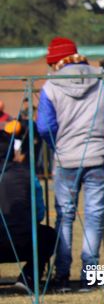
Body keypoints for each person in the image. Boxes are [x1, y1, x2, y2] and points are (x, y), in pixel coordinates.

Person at [36, 37, 104, 292]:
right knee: (95, 216)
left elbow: (44, 126)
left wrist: (58, 144)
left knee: (65, 217)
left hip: (66, 158)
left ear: (56, 61)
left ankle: (62, 275)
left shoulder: (50, 85)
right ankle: (91, 274)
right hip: (99, 155)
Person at [0, 126, 54, 294]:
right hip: (24, 242)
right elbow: (39, 212)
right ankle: (28, 277)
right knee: (49, 235)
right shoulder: (26, 173)